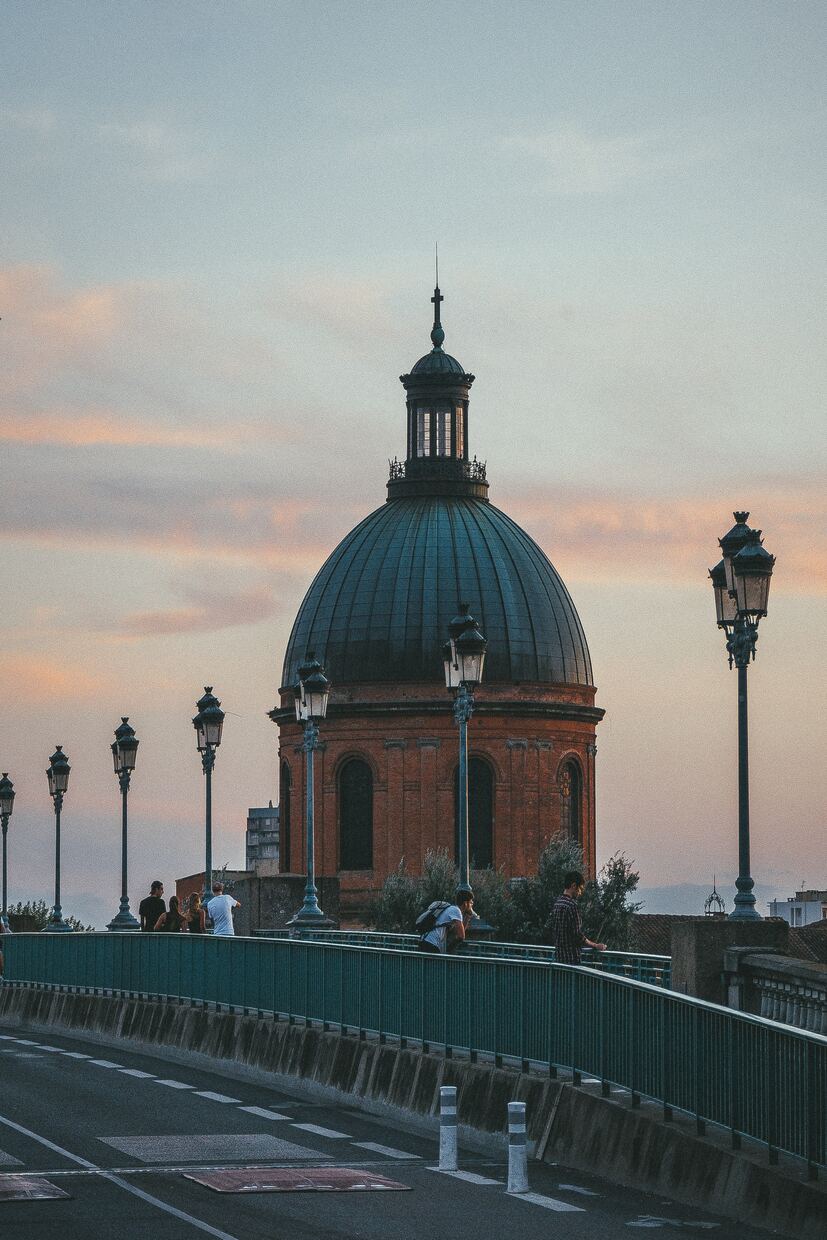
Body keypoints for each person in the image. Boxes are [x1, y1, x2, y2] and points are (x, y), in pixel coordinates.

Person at [547, 871, 606, 964]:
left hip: (559, 957)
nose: (580, 892)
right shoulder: (571, 905)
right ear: (574, 886)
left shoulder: (557, 903)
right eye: (580, 889)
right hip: (571, 958)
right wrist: (595, 945)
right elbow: (577, 935)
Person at [418, 890, 475, 954]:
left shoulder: (451, 909)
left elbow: (458, 932)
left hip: (426, 941)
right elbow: (461, 936)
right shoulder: (456, 911)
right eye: (470, 902)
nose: (472, 904)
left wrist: (468, 916)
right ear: (465, 903)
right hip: (431, 944)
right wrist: (449, 949)